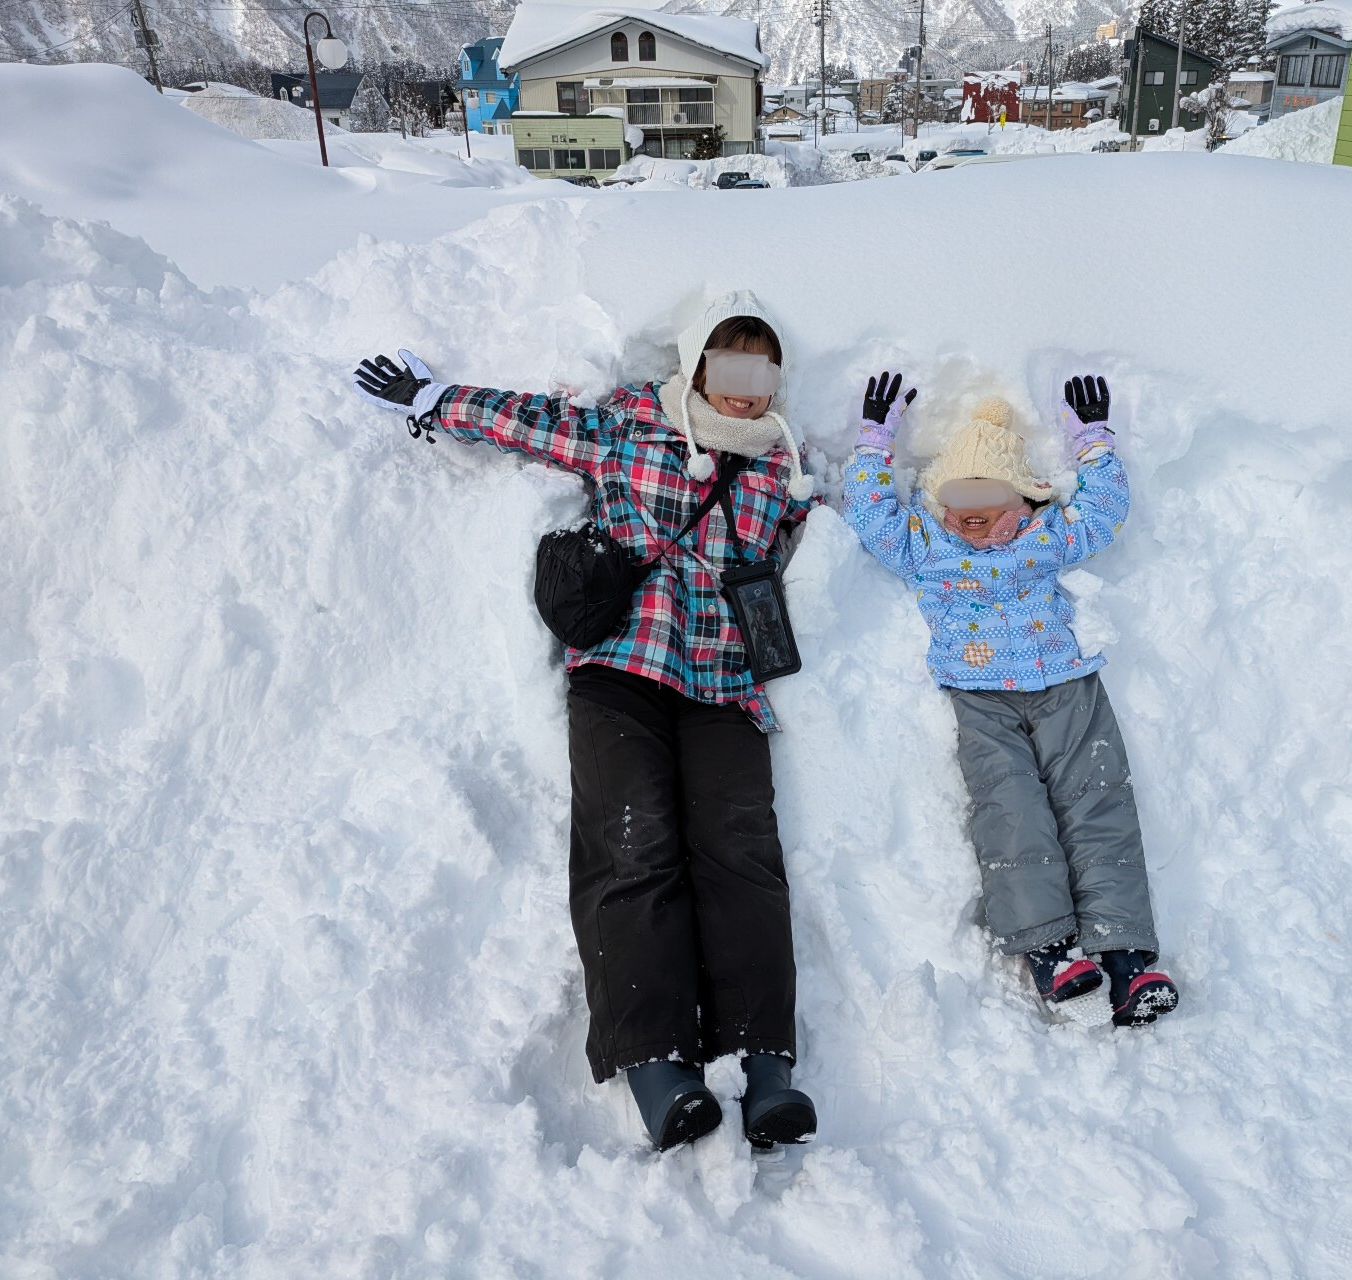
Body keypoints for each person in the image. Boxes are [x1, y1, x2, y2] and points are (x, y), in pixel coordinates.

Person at [353, 292, 820, 1149]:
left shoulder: (781, 466)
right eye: (730, 369)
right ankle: (657, 1065)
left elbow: (833, 534)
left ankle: (767, 1067)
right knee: (632, 846)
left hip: (723, 686)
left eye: (764, 374)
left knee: (742, 857)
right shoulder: (629, 426)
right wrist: (435, 399)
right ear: (697, 364)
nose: (749, 393)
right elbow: (529, 421)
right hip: (623, 669)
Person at [840, 372, 1180, 1027]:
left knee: (1097, 803)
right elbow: (873, 518)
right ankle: (1051, 952)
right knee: (1012, 809)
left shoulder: (1045, 537)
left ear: (1022, 499)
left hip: (1066, 687)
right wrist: (873, 444)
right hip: (981, 700)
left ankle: (1127, 957)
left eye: (986, 506)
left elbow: (1103, 510)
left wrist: (1093, 443)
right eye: (957, 506)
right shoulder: (927, 548)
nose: (969, 520)